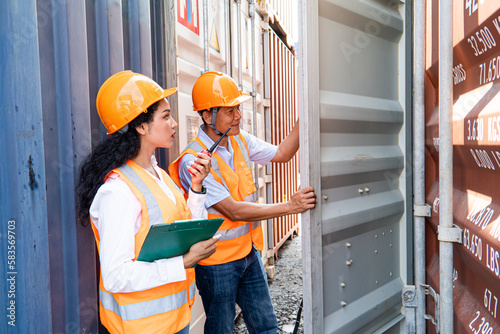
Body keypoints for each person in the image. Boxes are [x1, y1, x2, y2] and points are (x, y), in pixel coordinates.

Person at [169, 71, 316, 334]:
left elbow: (282, 153)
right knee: (221, 330)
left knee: (267, 327)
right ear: (207, 116)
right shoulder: (194, 160)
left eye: (238, 108)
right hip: (216, 263)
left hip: (248, 254)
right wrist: (291, 207)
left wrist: (306, 113)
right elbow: (233, 211)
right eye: (230, 110)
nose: (238, 116)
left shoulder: (239, 140)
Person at [76, 70, 217, 334]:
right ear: (140, 126)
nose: (174, 124)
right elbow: (117, 276)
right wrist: (184, 263)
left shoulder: (158, 175)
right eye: (166, 116)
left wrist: (197, 188)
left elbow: (186, 229)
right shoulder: (117, 192)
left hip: (176, 320)